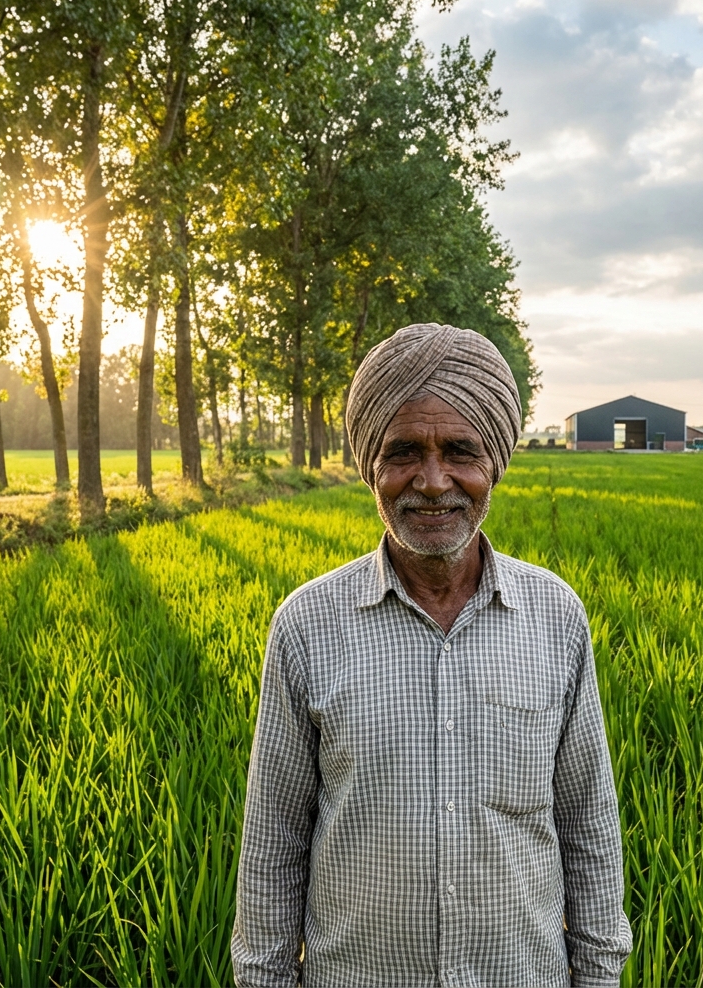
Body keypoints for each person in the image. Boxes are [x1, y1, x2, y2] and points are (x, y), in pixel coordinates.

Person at [231, 323, 633, 988]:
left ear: (494, 463)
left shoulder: (556, 616)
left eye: (460, 451)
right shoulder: (306, 624)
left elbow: (587, 819)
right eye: (404, 452)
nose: (434, 480)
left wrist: (598, 973)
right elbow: (275, 837)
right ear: (371, 464)